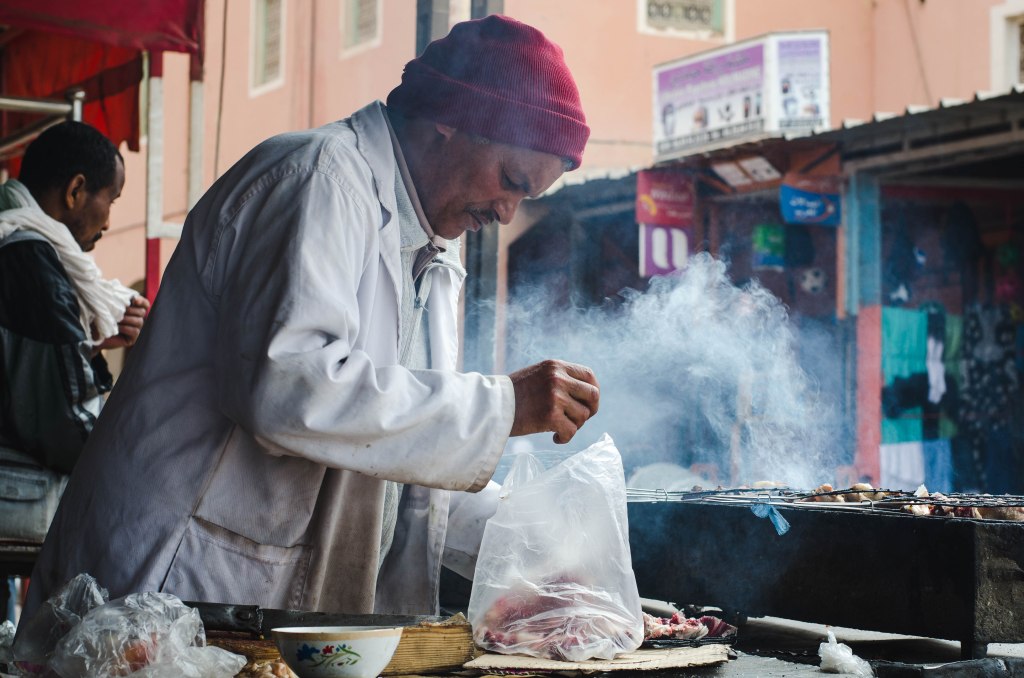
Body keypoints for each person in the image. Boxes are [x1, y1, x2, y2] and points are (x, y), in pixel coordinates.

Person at [23, 15, 599, 619]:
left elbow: (396, 455)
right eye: (510, 180)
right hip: (171, 576)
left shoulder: (430, 253)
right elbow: (289, 387)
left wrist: (537, 552)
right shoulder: (318, 178)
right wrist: (503, 405)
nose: (508, 214)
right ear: (450, 119)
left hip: (258, 603)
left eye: (525, 197)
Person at [0, 121, 148, 621]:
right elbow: (62, 420)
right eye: (113, 198)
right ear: (76, 190)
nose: (109, 219)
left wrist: (93, 347)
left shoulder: (15, 238)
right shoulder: (28, 257)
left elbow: (26, 370)